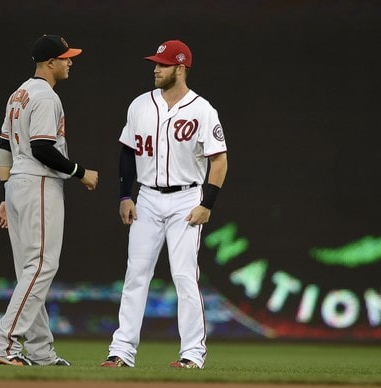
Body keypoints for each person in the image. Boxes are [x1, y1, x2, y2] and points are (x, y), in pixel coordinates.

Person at [101, 39, 228, 369]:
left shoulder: (202, 109)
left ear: (181, 68)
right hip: (147, 197)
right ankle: (121, 352)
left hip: (187, 198)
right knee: (135, 275)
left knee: (185, 277)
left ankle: (192, 355)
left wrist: (208, 204)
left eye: (163, 63)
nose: (156, 68)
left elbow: (219, 161)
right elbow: (128, 153)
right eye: (156, 63)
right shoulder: (140, 105)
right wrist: (125, 195)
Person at [0, 34, 99, 367]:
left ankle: (40, 351)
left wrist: (5, 192)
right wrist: (81, 172)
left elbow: (4, 146)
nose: (70, 61)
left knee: (29, 271)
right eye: (65, 57)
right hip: (38, 182)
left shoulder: (18, 94)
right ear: (51, 62)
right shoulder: (46, 97)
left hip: (18, 184)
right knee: (42, 266)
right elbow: (43, 148)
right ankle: (3, 342)